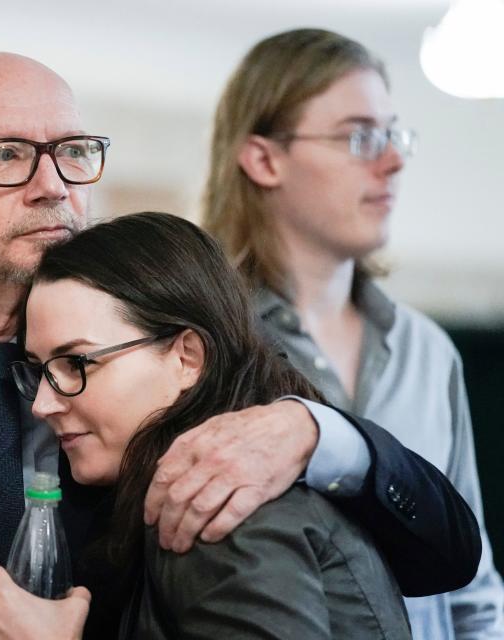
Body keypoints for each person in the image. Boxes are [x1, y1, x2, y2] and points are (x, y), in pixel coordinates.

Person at [0, 52, 479, 639]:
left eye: (73, 152)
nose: (53, 185)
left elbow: (444, 557)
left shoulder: (206, 370)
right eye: (7, 156)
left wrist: (314, 429)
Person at [0, 211, 412, 639]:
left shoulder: (219, 505)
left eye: (76, 363)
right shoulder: (185, 484)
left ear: (187, 358)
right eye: (39, 369)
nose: (42, 403)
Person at [202, 28, 504, 638]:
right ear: (264, 159)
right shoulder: (202, 343)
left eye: (393, 135)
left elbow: (474, 593)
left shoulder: (427, 350)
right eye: (360, 137)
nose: (392, 160)